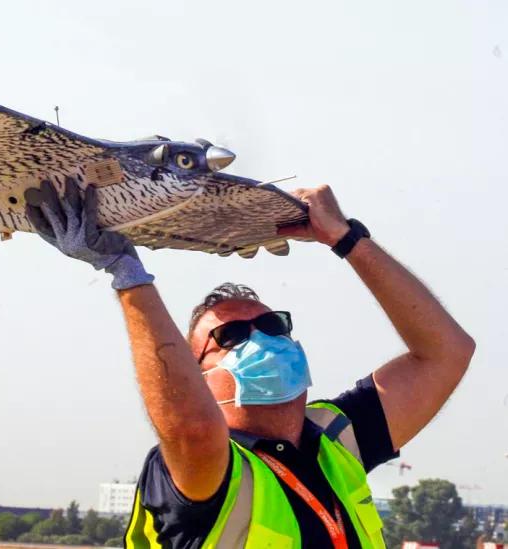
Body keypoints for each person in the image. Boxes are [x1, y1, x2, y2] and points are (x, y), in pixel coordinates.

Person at [25, 179, 475, 549]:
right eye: (230, 337)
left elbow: (447, 352)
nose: (261, 339)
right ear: (198, 376)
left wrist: (346, 238)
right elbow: (192, 430)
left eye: (272, 326)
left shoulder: (339, 438)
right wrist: (126, 273)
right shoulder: (203, 467)